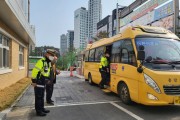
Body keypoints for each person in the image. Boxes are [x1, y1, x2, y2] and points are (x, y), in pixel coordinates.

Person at [31, 49, 56, 116]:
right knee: (38, 97)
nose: (52, 57)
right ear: (47, 54)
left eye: (52, 56)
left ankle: (42, 108)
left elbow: (47, 72)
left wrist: (47, 79)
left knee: (42, 96)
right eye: (51, 55)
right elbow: (34, 71)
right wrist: (33, 81)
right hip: (38, 82)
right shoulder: (41, 61)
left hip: (43, 82)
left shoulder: (47, 63)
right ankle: (38, 111)